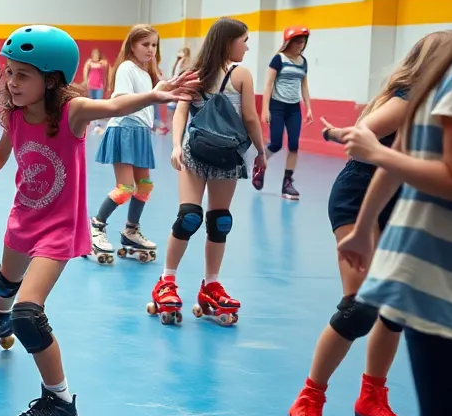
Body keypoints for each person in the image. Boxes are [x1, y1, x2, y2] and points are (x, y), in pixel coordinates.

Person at [0, 25, 196, 416]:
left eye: (22, 75)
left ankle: (58, 401)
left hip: (58, 229)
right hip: (23, 219)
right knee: (4, 283)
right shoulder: (15, 115)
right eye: (8, 73)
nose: (11, 83)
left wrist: (155, 96)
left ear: (52, 79)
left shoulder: (72, 112)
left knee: (28, 313)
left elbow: (113, 104)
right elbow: (2, 155)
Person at [316, 35, 452, 416]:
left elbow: (398, 162)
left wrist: (371, 224)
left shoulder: (435, 74)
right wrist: (369, 200)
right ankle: (311, 397)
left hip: (413, 246)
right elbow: (410, 162)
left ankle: (371, 394)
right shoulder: (430, 79)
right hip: (434, 268)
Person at [285, 34, 452, 416]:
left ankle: (373, 396)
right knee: (359, 307)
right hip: (358, 195)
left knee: (391, 308)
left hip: (395, 198)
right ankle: (308, 400)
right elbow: (374, 134)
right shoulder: (409, 97)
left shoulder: (435, 105)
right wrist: (347, 134)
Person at [148, 17, 267, 326]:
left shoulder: (241, 74)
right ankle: (167, 279)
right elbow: (181, 112)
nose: (247, 45)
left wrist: (261, 149)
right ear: (229, 42)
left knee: (220, 221)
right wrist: (175, 145)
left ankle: (210, 284)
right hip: (195, 154)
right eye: (244, 39)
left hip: (226, 157)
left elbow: (251, 118)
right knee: (189, 215)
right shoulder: (195, 75)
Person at [88, 24, 161, 264]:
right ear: (132, 45)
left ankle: (131, 231)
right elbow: (121, 99)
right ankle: (96, 226)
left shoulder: (146, 71)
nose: (151, 49)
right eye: (145, 44)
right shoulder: (127, 68)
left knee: (145, 186)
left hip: (141, 132)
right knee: (126, 188)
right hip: (126, 129)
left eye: (154, 45)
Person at [254, 26, 313, 200]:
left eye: (302, 42)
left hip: (294, 108)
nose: (300, 46)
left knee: (294, 145)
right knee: (276, 143)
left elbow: (304, 85)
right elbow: (268, 84)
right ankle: (259, 165)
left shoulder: (303, 62)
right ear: (289, 42)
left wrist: (308, 107)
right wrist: (265, 109)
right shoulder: (278, 59)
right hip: (277, 106)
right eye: (297, 42)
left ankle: (287, 183)